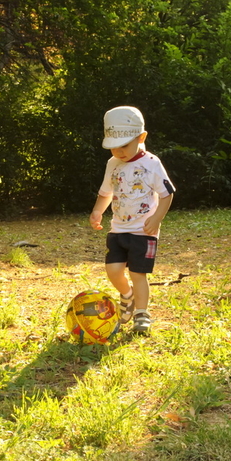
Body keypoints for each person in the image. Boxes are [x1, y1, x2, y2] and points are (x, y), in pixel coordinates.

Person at [89, 106, 175, 333]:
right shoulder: (112, 164)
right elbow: (106, 192)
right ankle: (128, 296)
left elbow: (167, 194)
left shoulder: (151, 163)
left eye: (124, 145)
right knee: (113, 270)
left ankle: (141, 314)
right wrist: (98, 211)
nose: (119, 151)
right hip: (118, 228)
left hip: (143, 231)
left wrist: (156, 219)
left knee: (138, 274)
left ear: (141, 137)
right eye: (114, 147)